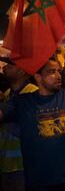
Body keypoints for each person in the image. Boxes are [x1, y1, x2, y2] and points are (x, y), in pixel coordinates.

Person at [0, 58, 65, 191]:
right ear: (38, 77)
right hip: (39, 180)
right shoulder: (22, 101)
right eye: (51, 72)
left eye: (59, 71)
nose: (58, 76)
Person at [0, 58, 38, 191]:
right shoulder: (8, 94)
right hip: (7, 162)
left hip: (23, 163)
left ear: (21, 71)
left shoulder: (32, 92)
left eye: (9, 65)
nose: (4, 67)